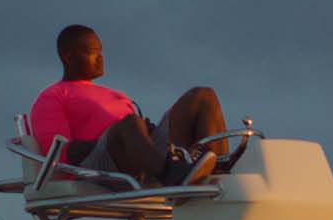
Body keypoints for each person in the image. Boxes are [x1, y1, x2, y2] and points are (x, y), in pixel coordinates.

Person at [28, 25, 230, 186]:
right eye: (92, 52)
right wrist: (125, 134)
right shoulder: (52, 96)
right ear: (67, 56)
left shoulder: (115, 94)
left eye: (101, 51)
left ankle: (221, 173)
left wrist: (144, 132)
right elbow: (60, 154)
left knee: (202, 96)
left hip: (144, 160)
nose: (101, 58)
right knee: (129, 123)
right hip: (97, 167)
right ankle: (173, 175)